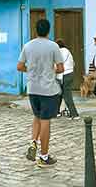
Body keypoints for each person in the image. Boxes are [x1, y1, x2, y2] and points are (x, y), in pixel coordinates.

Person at [17, 18, 63, 167]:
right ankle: (44, 156)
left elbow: (19, 66)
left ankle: (33, 143)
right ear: (48, 30)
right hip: (48, 89)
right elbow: (61, 68)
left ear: (36, 30)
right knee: (45, 121)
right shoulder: (53, 46)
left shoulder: (28, 46)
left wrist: (30, 70)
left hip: (32, 88)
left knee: (36, 117)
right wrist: (51, 70)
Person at [55, 39, 79, 119]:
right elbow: (74, 63)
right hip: (69, 74)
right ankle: (56, 112)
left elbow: (58, 64)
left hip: (64, 75)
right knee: (59, 95)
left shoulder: (60, 52)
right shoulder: (67, 52)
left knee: (67, 95)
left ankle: (74, 114)